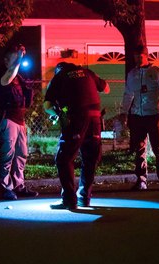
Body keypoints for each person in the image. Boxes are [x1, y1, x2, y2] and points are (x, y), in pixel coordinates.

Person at [44, 62, 110, 209]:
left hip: (76, 118)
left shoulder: (59, 77)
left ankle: (69, 200)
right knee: (90, 158)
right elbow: (106, 88)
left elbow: (47, 106)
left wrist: (59, 113)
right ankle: (84, 197)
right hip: (95, 118)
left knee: (64, 158)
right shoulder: (88, 73)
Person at [120, 45, 159, 191]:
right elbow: (128, 94)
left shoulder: (157, 72)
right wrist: (125, 111)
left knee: (158, 149)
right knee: (140, 148)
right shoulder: (132, 74)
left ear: (146, 56)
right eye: (135, 56)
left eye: (140, 56)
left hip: (154, 115)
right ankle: (141, 180)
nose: (137, 59)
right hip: (137, 116)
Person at [0, 44, 39, 200]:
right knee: (7, 155)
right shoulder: (1, 74)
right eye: (15, 58)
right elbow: (8, 77)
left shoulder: (19, 77)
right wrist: (19, 59)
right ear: (6, 61)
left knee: (21, 154)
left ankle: (19, 186)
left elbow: (27, 96)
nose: (19, 61)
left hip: (20, 120)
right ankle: (5, 187)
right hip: (7, 118)